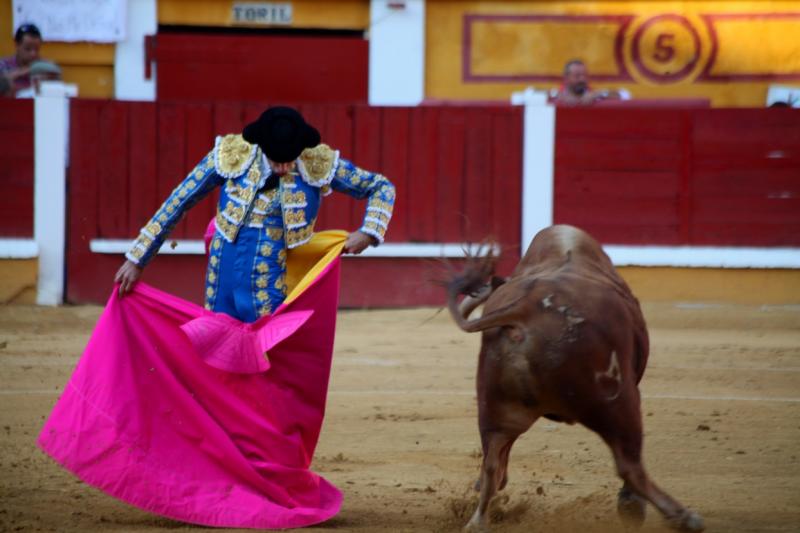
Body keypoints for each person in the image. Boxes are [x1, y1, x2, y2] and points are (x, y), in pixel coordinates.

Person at [114, 105, 395, 321]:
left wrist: (369, 233)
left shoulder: (315, 161)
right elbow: (179, 200)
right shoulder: (231, 154)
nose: (284, 168)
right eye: (276, 161)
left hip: (273, 272)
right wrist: (138, 258)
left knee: (266, 349)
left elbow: (381, 187)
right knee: (216, 345)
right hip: (223, 266)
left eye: (289, 161)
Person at [550, 59, 626, 106]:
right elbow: (541, 95)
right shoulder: (557, 95)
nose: (582, 79)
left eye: (584, 75)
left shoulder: (593, 94)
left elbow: (624, 94)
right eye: (577, 76)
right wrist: (556, 94)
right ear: (566, 77)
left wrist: (599, 94)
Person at [0, 23, 47, 97]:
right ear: (17, 45)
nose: (33, 54)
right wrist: (19, 73)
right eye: (28, 49)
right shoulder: (3, 65)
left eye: (36, 49)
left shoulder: (46, 68)